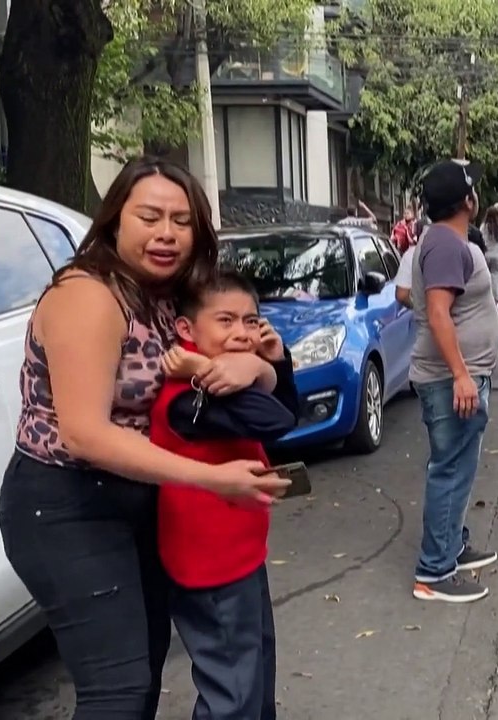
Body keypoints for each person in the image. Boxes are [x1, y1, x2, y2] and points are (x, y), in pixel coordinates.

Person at [0, 156, 289, 720]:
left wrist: (257, 368)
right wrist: (211, 479)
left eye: (181, 221)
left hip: (143, 500)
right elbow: (84, 435)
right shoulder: (88, 296)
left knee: (146, 673)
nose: (166, 233)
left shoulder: (166, 295)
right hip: (67, 504)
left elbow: (246, 367)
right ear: (115, 221)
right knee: (119, 689)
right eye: (149, 217)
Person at [152, 272, 298, 720]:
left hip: (242, 553)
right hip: (209, 567)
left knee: (257, 671)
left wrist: (272, 364)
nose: (241, 332)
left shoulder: (227, 378)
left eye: (251, 321)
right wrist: (226, 369)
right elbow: (275, 420)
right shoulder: (187, 395)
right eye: (225, 320)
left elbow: (286, 413)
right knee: (233, 692)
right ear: (186, 329)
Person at [409, 159, 498, 603]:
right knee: (449, 470)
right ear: (467, 200)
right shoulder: (445, 243)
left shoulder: (446, 240)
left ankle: (451, 546)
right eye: (472, 189)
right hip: (451, 381)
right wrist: (462, 375)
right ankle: (434, 572)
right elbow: (438, 312)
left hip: (459, 377)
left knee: (459, 468)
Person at [480, 203, 498, 308]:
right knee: (496, 278)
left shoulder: (483, 226)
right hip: (497, 254)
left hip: (486, 254)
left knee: (486, 278)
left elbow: (481, 240)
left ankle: (485, 300)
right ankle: (495, 301)